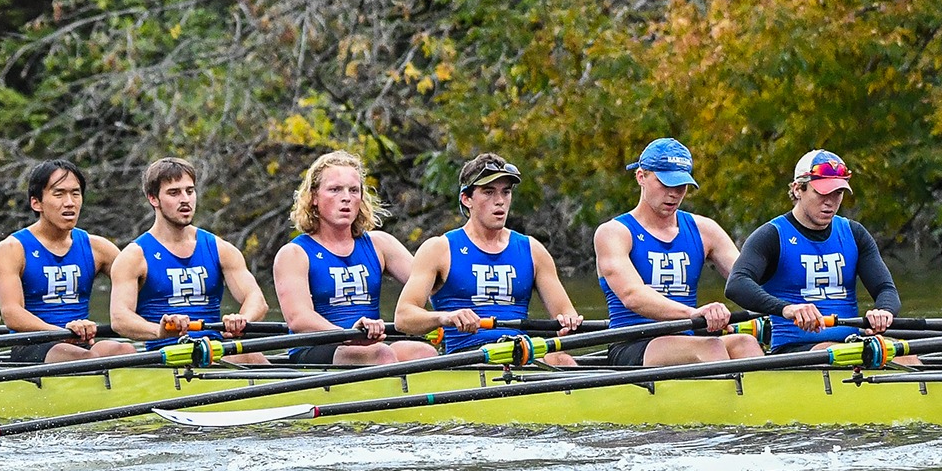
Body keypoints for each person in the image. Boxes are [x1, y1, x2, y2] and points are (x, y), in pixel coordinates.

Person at [395, 153, 584, 365]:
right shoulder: (439, 249)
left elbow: (565, 314)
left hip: (520, 355)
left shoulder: (532, 250)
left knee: (563, 360)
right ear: (467, 199)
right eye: (488, 192)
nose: (500, 201)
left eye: (506, 192)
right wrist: (444, 317)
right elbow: (403, 317)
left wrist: (568, 323)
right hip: (467, 358)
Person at [725, 150, 915, 360]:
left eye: (838, 193)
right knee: (838, 353)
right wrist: (787, 309)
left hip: (851, 347)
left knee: (907, 356)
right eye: (822, 193)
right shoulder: (772, 236)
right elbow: (737, 284)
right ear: (798, 189)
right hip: (797, 350)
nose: (831, 202)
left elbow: (885, 288)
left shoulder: (854, 233)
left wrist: (884, 311)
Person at [593, 138, 762, 366]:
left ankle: (763, 400)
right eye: (665, 184)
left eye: (680, 185)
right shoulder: (614, 233)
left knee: (746, 343)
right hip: (633, 343)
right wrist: (693, 314)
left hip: (686, 337)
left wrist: (790, 307)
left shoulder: (705, 230)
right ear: (641, 177)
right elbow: (632, 295)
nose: (674, 194)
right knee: (711, 347)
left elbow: (747, 281)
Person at [273, 150, 437, 365]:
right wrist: (347, 334)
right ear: (314, 197)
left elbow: (431, 286)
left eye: (353, 190)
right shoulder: (293, 254)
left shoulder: (381, 244)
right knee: (382, 354)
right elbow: (299, 319)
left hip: (370, 345)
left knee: (424, 353)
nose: (346, 198)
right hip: (317, 348)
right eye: (335, 190)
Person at [109, 157, 272, 363]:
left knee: (249, 354)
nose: (185, 199)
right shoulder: (134, 257)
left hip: (214, 350)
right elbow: (120, 318)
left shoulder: (220, 249)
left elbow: (256, 299)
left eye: (190, 191)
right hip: (165, 356)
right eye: (174, 193)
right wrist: (159, 330)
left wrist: (242, 319)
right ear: (153, 199)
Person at [0, 159, 136, 364]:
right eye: (59, 194)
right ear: (36, 202)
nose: (70, 202)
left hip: (82, 344)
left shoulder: (98, 248)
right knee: (82, 357)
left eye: (75, 193)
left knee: (124, 350)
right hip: (32, 346)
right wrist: (61, 332)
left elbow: (143, 288)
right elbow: (12, 314)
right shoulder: (12, 249)